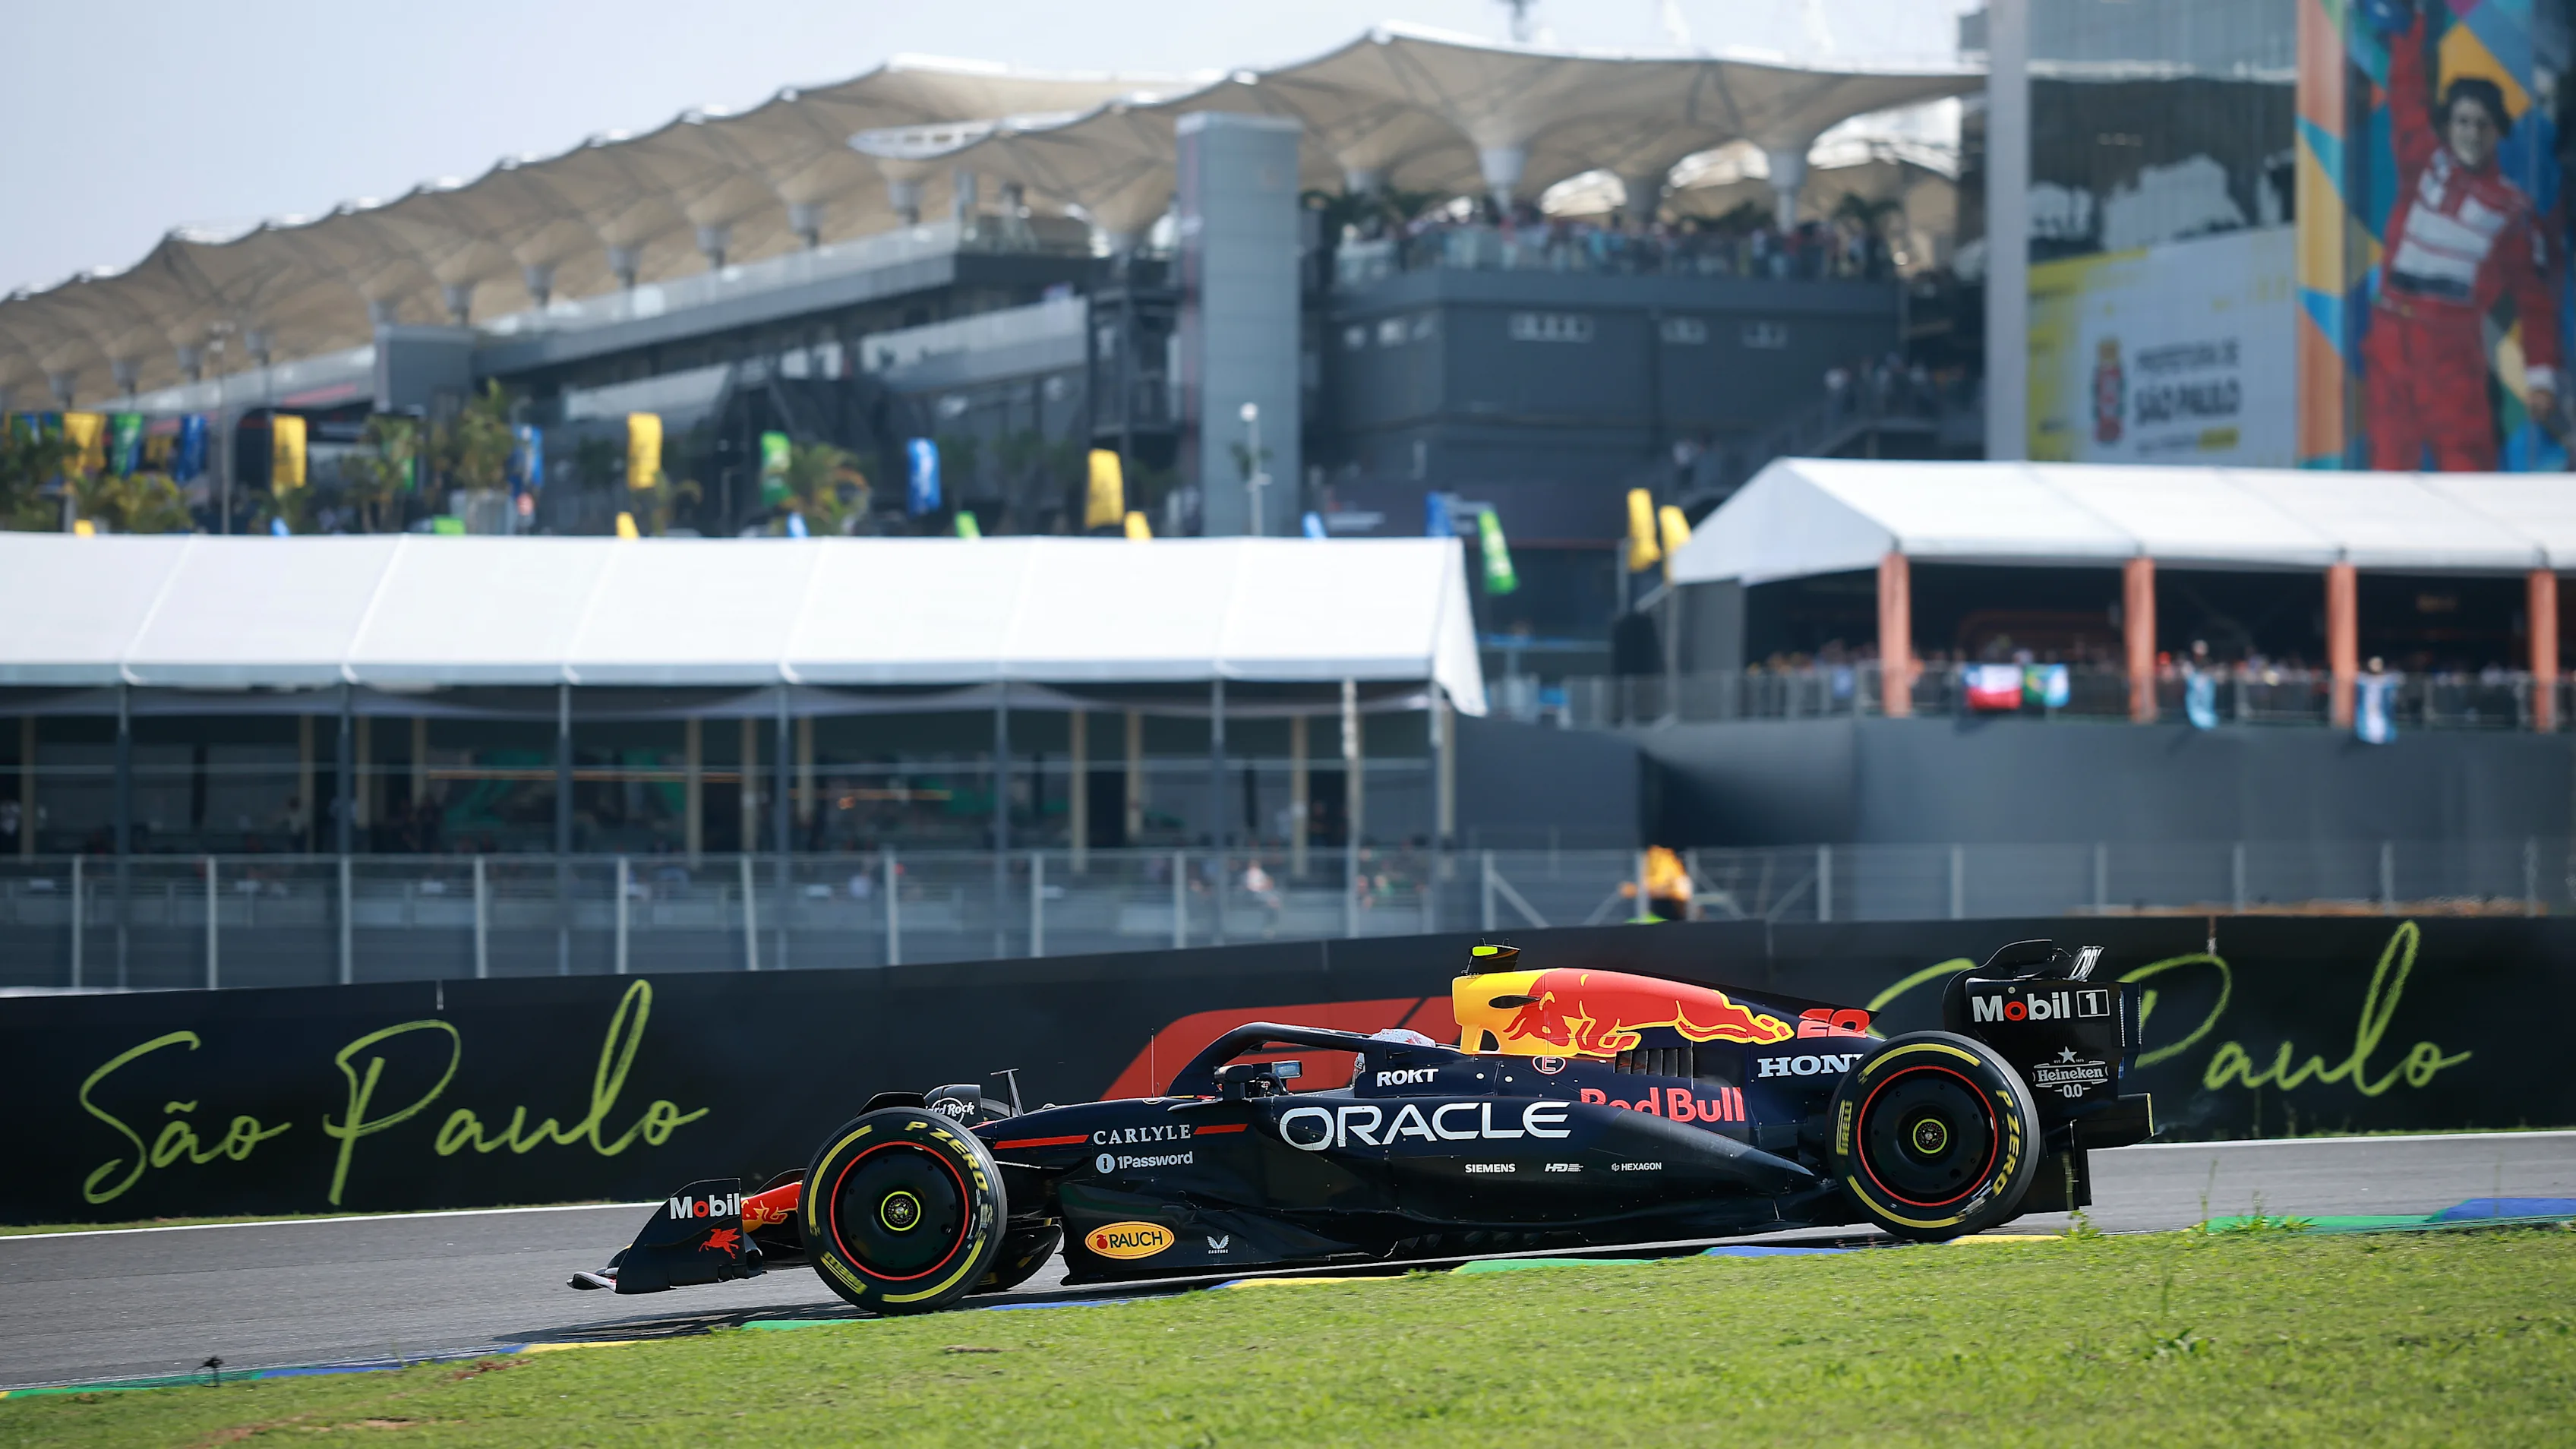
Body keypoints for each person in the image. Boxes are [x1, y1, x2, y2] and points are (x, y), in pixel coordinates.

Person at [2366, 3, 2560, 471]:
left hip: (2452, 353)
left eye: (2482, 124)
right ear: (2448, 127)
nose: (2471, 134)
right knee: (2386, 478)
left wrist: (2541, 379)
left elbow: (2534, 299)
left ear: (2497, 132)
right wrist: (2408, 27)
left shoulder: (2510, 208)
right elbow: (2407, 96)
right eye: (2462, 122)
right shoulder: (2422, 163)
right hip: (2392, 338)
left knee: (2469, 473)